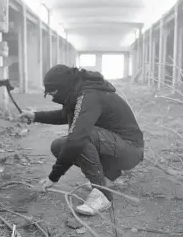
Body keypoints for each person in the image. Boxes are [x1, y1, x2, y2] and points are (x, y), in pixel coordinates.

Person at [20, 64, 144, 216]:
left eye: (54, 92)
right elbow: (64, 115)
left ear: (64, 86)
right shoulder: (79, 92)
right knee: (59, 146)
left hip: (130, 151)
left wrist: (54, 176)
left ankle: (102, 195)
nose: (53, 97)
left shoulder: (89, 95)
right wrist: (36, 116)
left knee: (81, 137)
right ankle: (108, 176)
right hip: (116, 146)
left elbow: (77, 139)